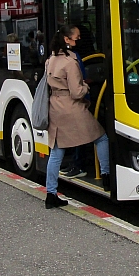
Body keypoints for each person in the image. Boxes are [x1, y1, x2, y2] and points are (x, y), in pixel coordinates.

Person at [44, 25, 110, 209]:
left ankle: (51, 193)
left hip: (55, 107)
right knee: (101, 137)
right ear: (67, 40)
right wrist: (87, 86)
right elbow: (77, 92)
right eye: (76, 38)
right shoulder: (70, 62)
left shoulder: (50, 60)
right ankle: (107, 177)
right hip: (71, 107)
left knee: (56, 151)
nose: (78, 41)